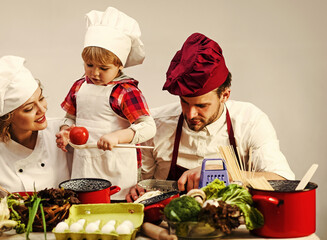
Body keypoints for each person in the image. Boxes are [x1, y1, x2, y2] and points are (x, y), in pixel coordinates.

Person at [126, 33, 294, 202]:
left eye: (201, 106)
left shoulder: (250, 121)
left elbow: (283, 181)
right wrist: (136, 190)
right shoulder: (155, 125)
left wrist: (226, 175)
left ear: (225, 95)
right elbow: (141, 183)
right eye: (185, 102)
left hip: (231, 222)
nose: (191, 114)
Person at [56, 7, 156, 201]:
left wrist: (119, 136)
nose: (94, 73)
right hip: (83, 165)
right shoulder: (79, 86)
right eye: (89, 65)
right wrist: (65, 130)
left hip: (116, 168)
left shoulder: (125, 91)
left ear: (120, 65)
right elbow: (69, 117)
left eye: (104, 68)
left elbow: (148, 127)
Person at [0, 55, 71, 193]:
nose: (42, 109)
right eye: (29, 109)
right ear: (7, 118)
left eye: (41, 98)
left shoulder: (62, 134)